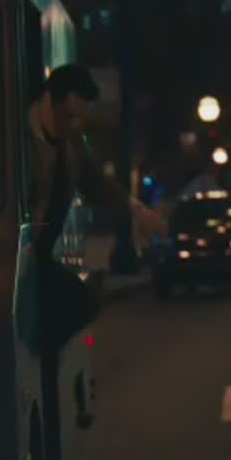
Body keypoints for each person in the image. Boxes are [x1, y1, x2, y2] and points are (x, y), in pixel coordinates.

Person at [27, 65, 167, 432]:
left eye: (80, 118)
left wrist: (139, 212)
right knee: (68, 303)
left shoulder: (71, 143)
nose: (74, 125)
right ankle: (33, 367)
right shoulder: (19, 138)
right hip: (11, 256)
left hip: (38, 255)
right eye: (70, 116)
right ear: (53, 101)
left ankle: (42, 366)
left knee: (83, 301)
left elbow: (98, 185)